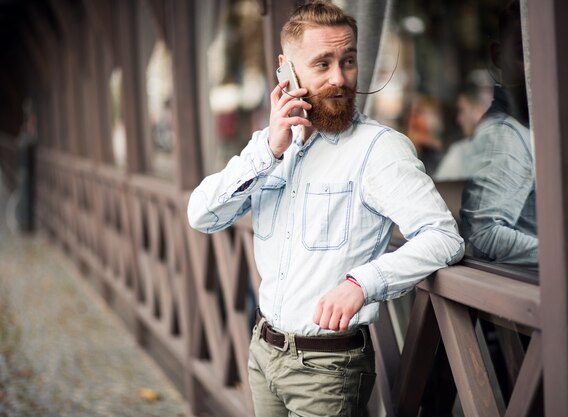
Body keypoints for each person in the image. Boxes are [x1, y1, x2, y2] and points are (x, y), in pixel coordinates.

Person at [187, 2, 464, 415]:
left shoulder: (379, 149)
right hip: (263, 353)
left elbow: (444, 237)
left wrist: (362, 283)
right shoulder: (269, 147)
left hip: (328, 368)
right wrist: (267, 151)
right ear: (287, 70)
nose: (339, 78)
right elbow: (202, 215)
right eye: (323, 64)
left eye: (348, 60)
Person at [460, 0, 538, 267]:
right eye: (524, 53)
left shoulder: (531, 127)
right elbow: (484, 234)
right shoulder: (503, 134)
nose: (539, 67)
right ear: (497, 56)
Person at [433, 82, 492, 181]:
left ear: (479, 111)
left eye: (462, 110)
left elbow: (440, 191)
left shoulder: (460, 153)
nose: (459, 119)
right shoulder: (517, 146)